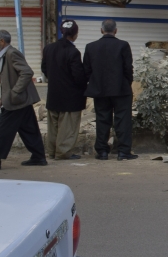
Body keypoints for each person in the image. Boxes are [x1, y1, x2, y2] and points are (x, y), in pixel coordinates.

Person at [0, 30, 46, 169]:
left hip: (16, 101)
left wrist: (14, 93)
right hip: (19, 101)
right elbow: (9, 80)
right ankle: (39, 156)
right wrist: (3, 98)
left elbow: (26, 72)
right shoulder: (4, 55)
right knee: (29, 129)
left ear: (2, 41)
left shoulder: (11, 53)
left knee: (2, 129)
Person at [83, 19, 137, 161]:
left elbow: (87, 70)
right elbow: (128, 68)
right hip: (121, 89)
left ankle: (102, 152)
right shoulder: (123, 45)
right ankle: (124, 151)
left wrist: (95, 82)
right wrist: (127, 83)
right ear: (116, 30)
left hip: (99, 89)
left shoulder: (90, 47)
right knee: (123, 120)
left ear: (101, 30)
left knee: (102, 119)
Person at [41, 19, 88, 160]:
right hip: (70, 96)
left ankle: (52, 150)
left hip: (53, 93)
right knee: (67, 127)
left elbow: (44, 69)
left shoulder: (48, 48)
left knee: (53, 126)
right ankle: (64, 152)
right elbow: (78, 75)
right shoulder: (73, 52)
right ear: (75, 34)